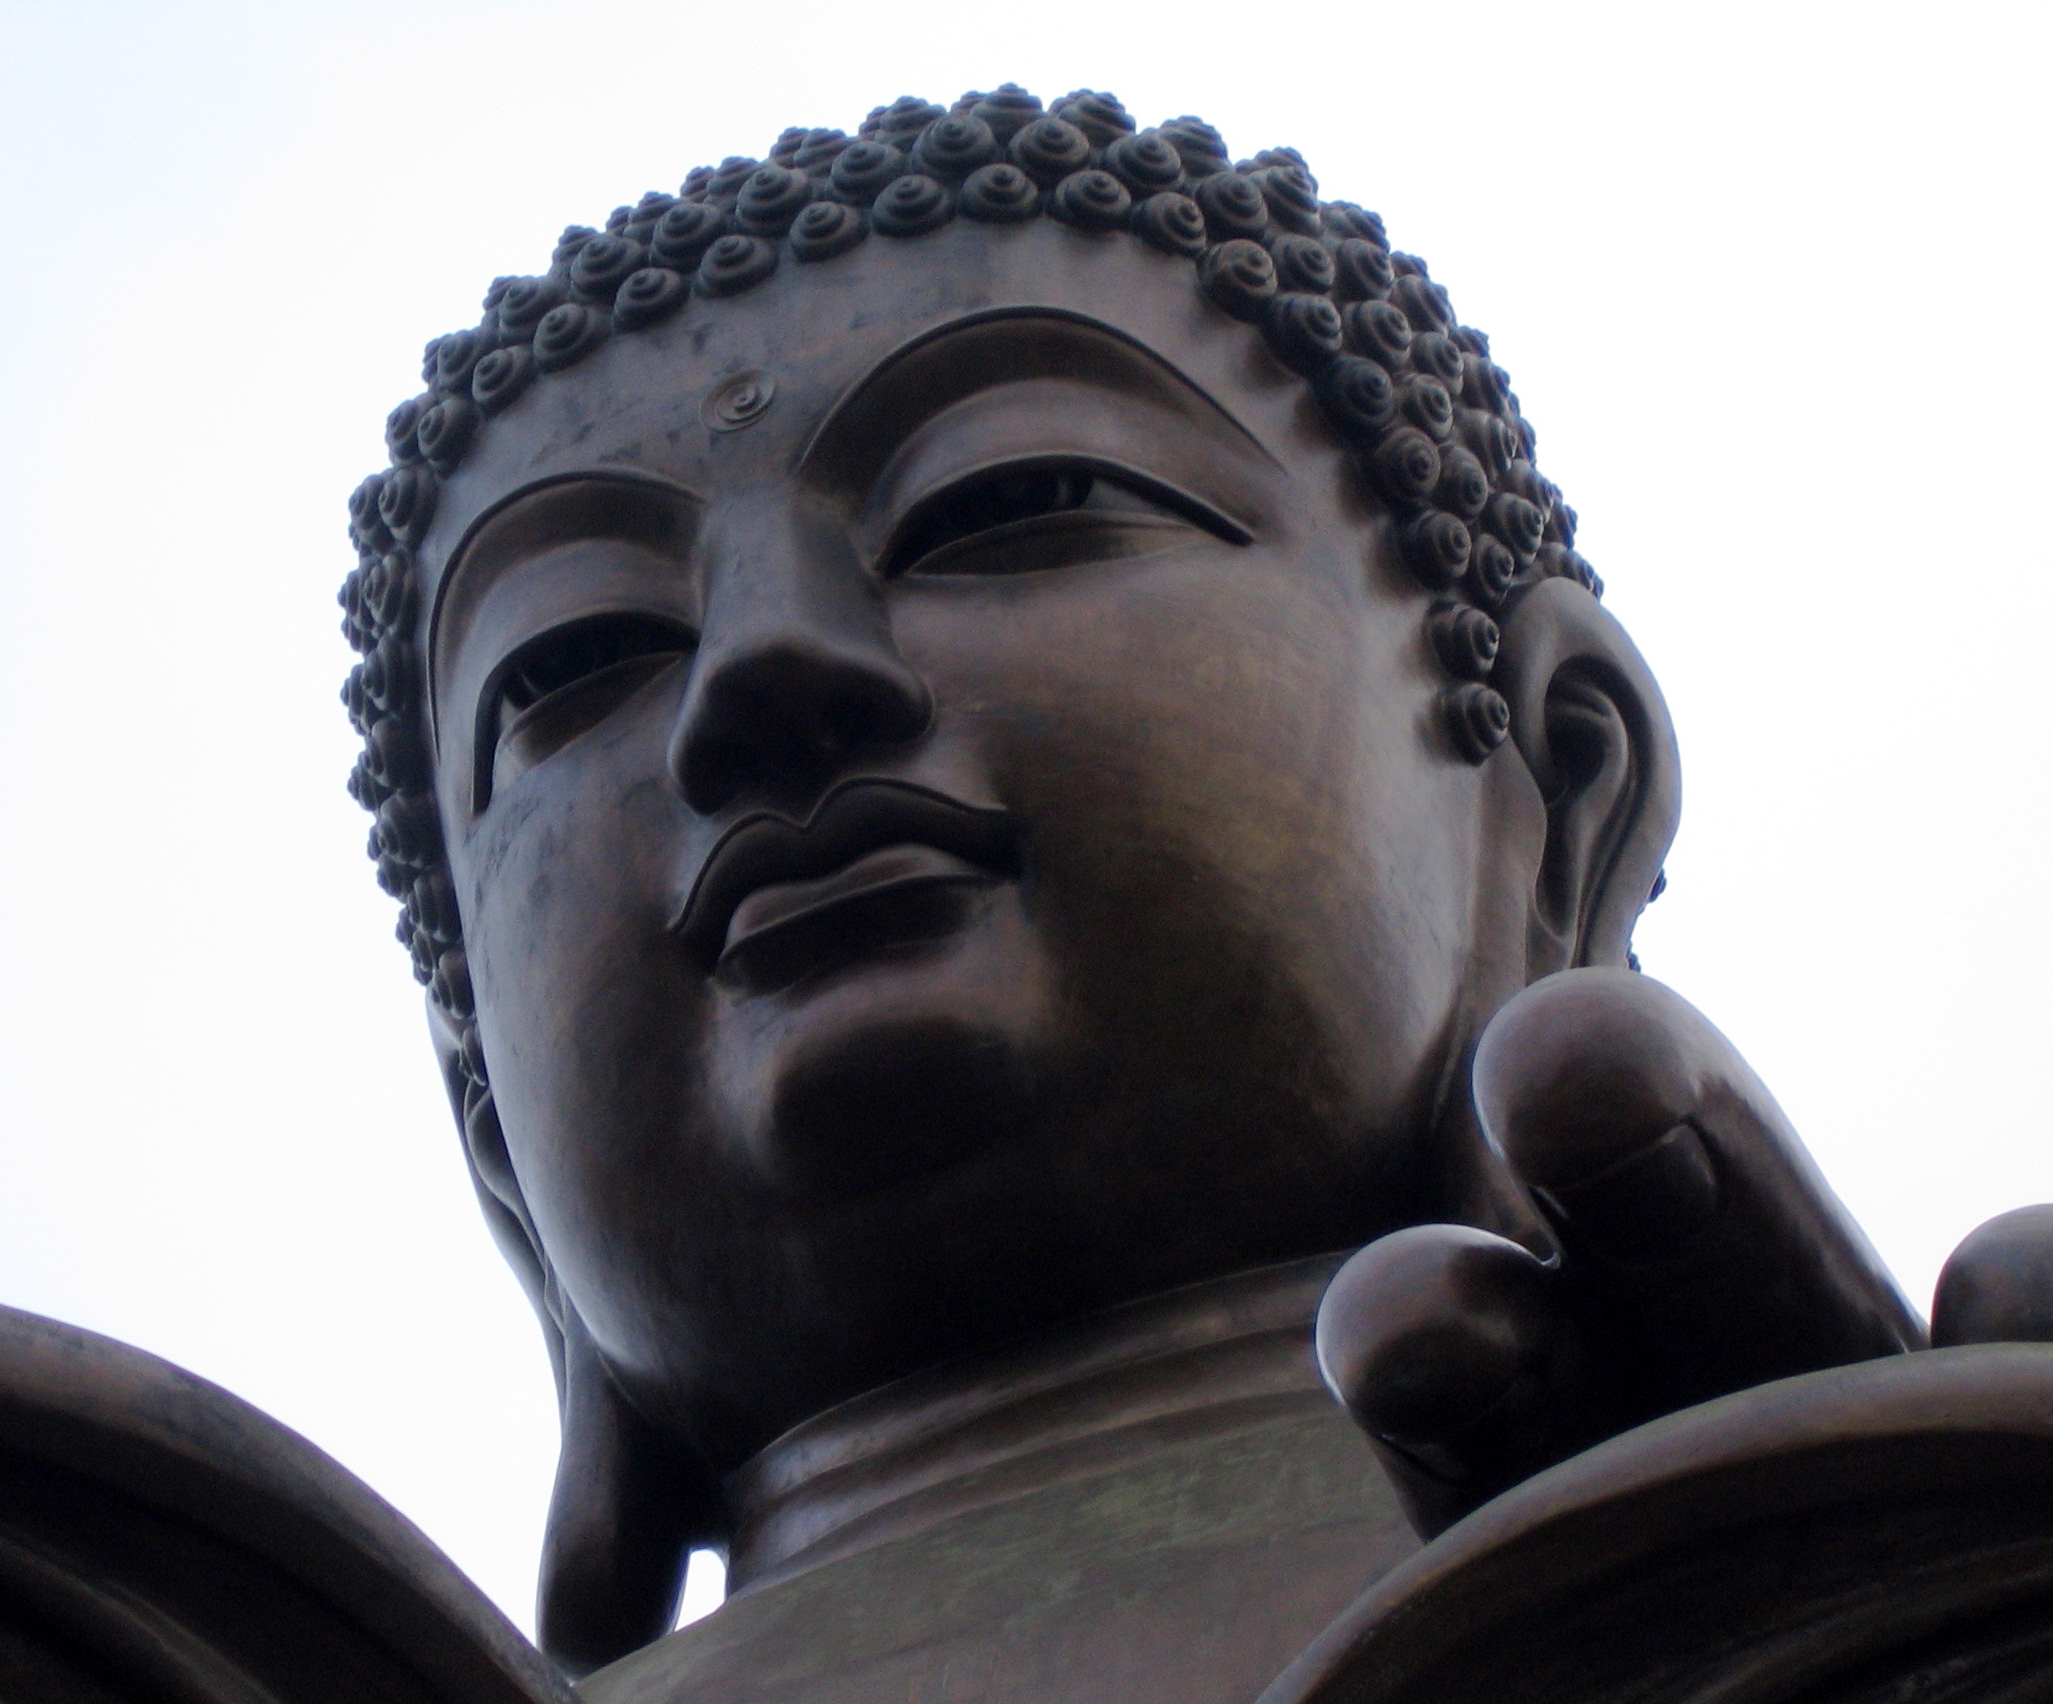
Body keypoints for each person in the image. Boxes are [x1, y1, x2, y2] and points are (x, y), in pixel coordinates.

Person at [334, 86, 1936, 1702]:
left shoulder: (1861, 1566)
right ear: (490, 1132)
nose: (760, 670)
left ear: (1560, 786)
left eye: (1008, 498)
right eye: (572, 659)